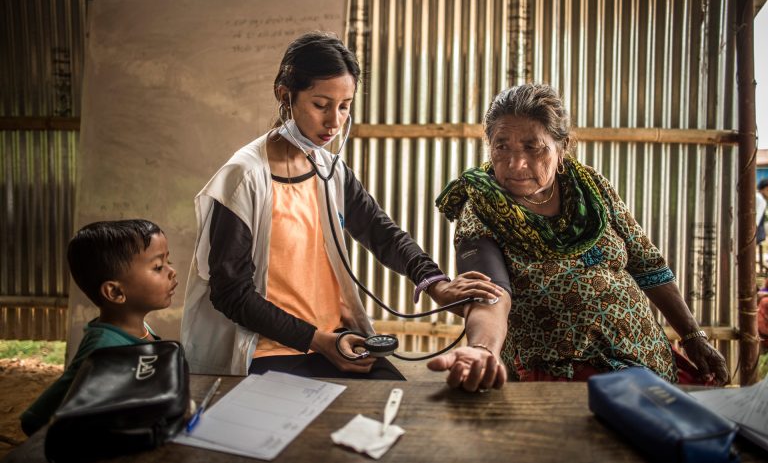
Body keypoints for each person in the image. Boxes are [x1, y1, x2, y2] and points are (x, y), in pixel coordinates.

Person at [181, 32, 503, 380]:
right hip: (267, 350)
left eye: (345, 105)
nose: (334, 121)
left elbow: (383, 234)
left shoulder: (329, 170)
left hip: (334, 340)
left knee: (397, 404)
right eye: (321, 105)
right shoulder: (243, 178)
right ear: (285, 96)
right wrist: (318, 341)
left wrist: (435, 283)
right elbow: (232, 294)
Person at [429, 83, 729, 385]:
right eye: (501, 146)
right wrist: (482, 349)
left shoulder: (589, 187)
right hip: (562, 377)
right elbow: (490, 293)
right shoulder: (481, 206)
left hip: (645, 357)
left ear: (562, 148)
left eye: (533, 147)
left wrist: (692, 335)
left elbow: (647, 264)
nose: (515, 163)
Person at [20, 220, 177, 435]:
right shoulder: (103, 348)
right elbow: (34, 419)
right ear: (115, 293)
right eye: (158, 267)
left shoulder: (139, 329)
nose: (172, 271)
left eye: (168, 261)